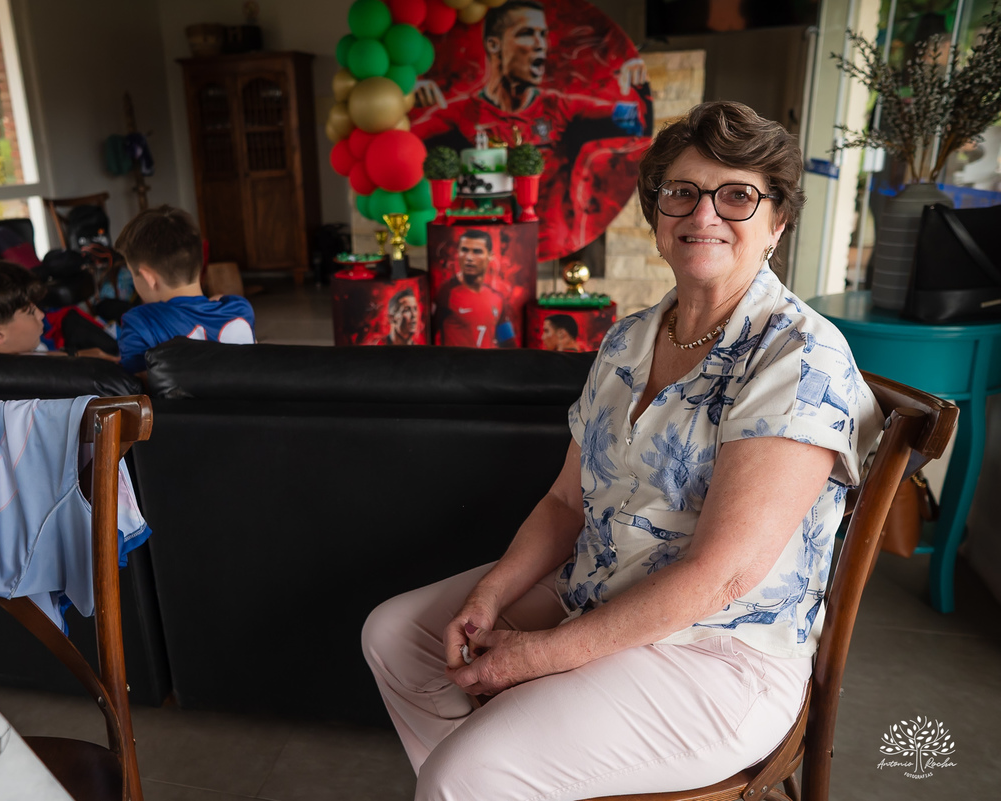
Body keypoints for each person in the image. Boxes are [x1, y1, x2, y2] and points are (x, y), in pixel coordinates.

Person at [362, 101, 884, 800]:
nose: (704, 216)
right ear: (657, 216)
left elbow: (719, 578)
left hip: (721, 652)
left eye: (737, 196)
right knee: (397, 635)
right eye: (682, 193)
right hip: (603, 588)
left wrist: (537, 657)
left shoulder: (801, 354)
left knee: (468, 774)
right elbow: (563, 501)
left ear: (777, 222)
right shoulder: (628, 339)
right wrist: (491, 594)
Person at [411, 0, 652, 261]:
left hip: (552, 248)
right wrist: (408, 100)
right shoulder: (460, 114)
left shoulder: (561, 107)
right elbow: (404, 147)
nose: (540, 44)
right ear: (494, 45)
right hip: (488, 252)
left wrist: (636, 86)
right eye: (527, 34)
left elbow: (633, 118)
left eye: (543, 35)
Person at [115, 205, 255, 374]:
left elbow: (135, 392)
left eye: (132, 273)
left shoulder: (138, 323)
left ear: (149, 278)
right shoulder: (240, 308)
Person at [432, 230, 516, 348]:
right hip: (455, 365)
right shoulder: (446, 292)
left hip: (487, 365)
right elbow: (429, 335)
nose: (469, 258)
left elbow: (508, 342)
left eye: (477, 251)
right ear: (458, 253)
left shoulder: (497, 298)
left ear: (490, 256)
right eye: (464, 250)